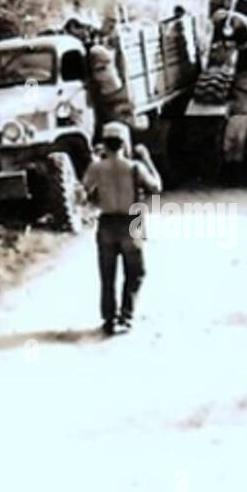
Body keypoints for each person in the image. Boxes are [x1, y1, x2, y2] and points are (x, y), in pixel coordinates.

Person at [81, 122, 162, 336]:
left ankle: (108, 319)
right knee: (135, 273)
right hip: (131, 222)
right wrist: (146, 157)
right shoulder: (135, 167)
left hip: (107, 222)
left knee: (107, 275)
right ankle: (126, 316)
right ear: (124, 143)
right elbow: (156, 187)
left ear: (104, 144)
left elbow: (82, 192)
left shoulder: (96, 167)